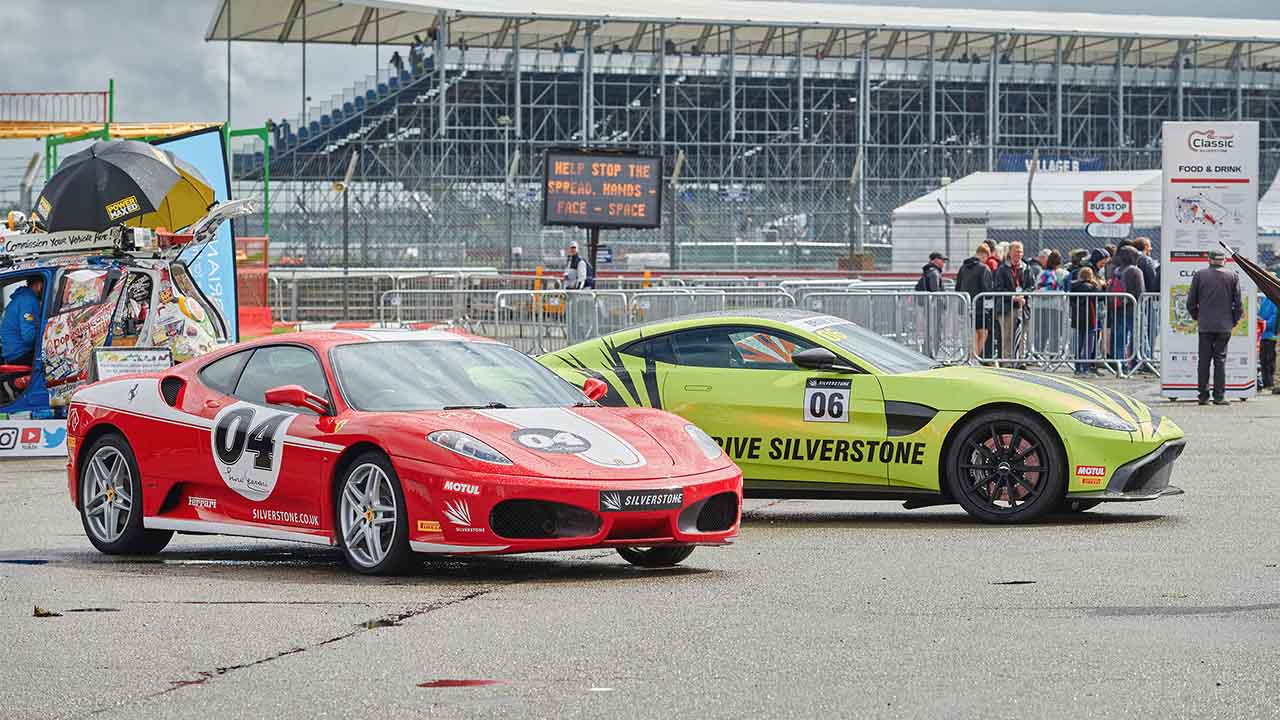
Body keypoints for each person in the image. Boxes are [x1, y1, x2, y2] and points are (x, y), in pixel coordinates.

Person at [1187, 250, 1243, 406]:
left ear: (1209, 260)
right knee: (1220, 360)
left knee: (1203, 361)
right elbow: (1238, 303)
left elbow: (1191, 302)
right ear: (1224, 261)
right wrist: (1234, 320)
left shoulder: (1199, 275)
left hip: (1205, 325)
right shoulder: (1232, 276)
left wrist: (1197, 316)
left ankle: (1203, 396)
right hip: (1224, 325)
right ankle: (1219, 396)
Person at [1105, 245, 1145, 374]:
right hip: (1131, 307)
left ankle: (1119, 364)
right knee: (1135, 336)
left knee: (1119, 336)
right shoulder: (1135, 271)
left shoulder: (1116, 270)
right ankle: (1133, 364)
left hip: (1117, 307)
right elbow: (1140, 291)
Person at [994, 241, 1034, 363]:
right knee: (1007, 336)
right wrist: (1013, 297)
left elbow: (1031, 286)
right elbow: (998, 288)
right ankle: (1007, 361)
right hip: (1007, 307)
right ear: (1010, 253)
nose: (1019, 254)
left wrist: (1024, 294)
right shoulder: (1002, 269)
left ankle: (1020, 360)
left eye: (1020, 251)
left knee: (1022, 336)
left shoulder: (1027, 268)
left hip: (1023, 307)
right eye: (1016, 251)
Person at [955, 244, 994, 363]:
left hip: (966, 305)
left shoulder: (963, 268)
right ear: (985, 255)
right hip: (980, 306)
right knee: (983, 332)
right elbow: (987, 290)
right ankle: (974, 357)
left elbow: (957, 287)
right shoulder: (984, 268)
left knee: (972, 333)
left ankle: (972, 356)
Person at [1, 275, 44, 367]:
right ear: (39, 285)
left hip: (12, 353)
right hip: (21, 354)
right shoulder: (28, 300)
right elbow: (29, 336)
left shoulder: (20, 299)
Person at [1069, 266, 1102, 375]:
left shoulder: (1073, 286)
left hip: (1077, 318)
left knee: (1078, 343)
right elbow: (1100, 296)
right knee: (1088, 344)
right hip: (1090, 318)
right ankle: (1086, 367)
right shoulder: (1092, 287)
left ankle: (1077, 367)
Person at [1260, 294, 1278, 393]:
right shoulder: (1266, 299)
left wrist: (1263, 323)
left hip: (1272, 336)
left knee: (1270, 361)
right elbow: (1260, 314)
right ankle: (1266, 383)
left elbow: (1275, 318)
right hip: (1264, 335)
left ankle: (1271, 383)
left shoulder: (1273, 299)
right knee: (1264, 360)